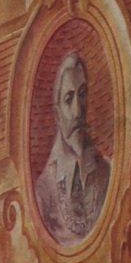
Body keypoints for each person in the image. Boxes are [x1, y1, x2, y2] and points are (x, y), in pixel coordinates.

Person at [33, 49, 111, 245]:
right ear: (57, 113)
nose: (78, 111)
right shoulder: (44, 190)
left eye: (82, 95)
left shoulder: (107, 173)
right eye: (69, 99)